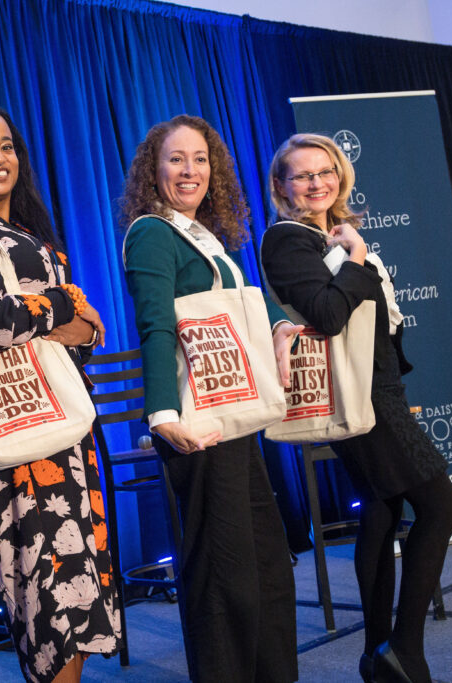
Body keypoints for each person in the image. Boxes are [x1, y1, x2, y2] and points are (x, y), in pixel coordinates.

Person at [262, 133, 452, 683]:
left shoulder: (326, 233)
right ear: (281, 185)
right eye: (302, 175)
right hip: (360, 393)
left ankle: (378, 655)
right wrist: (356, 257)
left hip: (380, 384)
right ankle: (405, 651)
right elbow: (327, 314)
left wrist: (350, 250)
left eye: (325, 171)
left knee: (382, 510)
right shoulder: (286, 241)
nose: (316, 182)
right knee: (443, 508)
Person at [0, 105, 120, 683]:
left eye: (7, 145)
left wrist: (58, 319)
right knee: (45, 607)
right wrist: (63, 305)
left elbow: (88, 337)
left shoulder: (30, 235)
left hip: (68, 433)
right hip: (15, 448)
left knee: (79, 596)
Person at [120, 114, 300, 683]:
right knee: (225, 581)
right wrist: (162, 417)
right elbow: (156, 327)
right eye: (176, 158)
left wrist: (279, 325)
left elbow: (242, 302)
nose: (190, 169)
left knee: (267, 570)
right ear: (154, 169)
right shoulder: (152, 232)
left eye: (200, 159)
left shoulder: (207, 237)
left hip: (234, 416)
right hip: (198, 425)